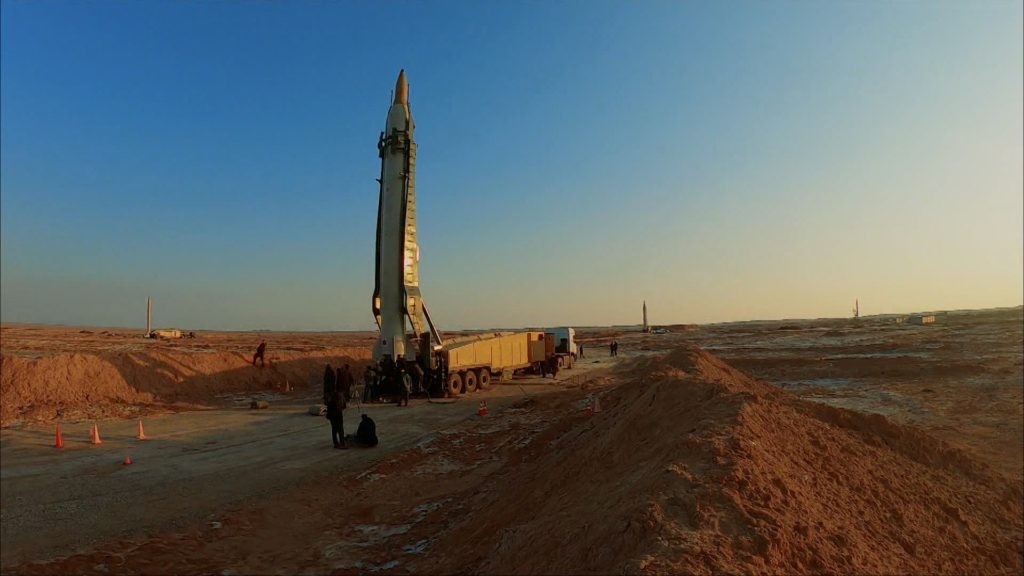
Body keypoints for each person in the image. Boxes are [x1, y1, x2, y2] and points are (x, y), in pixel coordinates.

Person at [325, 379, 347, 449]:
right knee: (340, 429)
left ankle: (336, 443)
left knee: (334, 429)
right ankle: (342, 443)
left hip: (332, 415)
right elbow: (342, 406)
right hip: (337, 415)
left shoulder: (330, 398)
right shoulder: (338, 397)